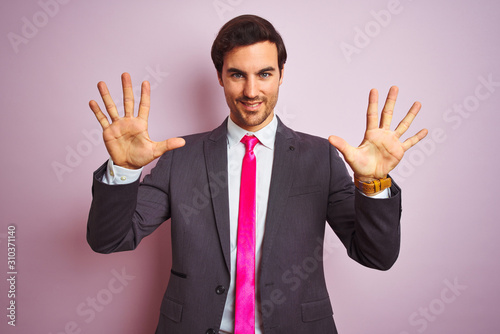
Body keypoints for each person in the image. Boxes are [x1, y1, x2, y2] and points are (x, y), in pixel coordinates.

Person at [87, 14, 427, 334]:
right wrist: (125, 170)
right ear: (220, 76)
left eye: (264, 74)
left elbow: (376, 256)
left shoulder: (319, 157)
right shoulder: (180, 157)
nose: (251, 91)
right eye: (237, 75)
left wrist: (371, 184)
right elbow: (110, 239)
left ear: (281, 74)